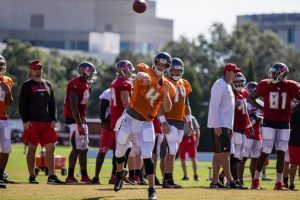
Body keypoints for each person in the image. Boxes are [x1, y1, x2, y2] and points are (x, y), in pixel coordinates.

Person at [113, 52, 175, 200]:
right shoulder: (145, 70)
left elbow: (166, 108)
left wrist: (165, 94)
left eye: (163, 65)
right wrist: (140, 76)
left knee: (147, 154)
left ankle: (152, 189)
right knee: (119, 150)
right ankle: (120, 173)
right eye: (158, 63)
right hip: (129, 117)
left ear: (167, 67)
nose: (160, 66)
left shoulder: (168, 85)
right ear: (154, 62)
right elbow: (139, 73)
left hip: (146, 122)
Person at [247, 63, 300, 190]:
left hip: (284, 123)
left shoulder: (291, 86)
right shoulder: (266, 84)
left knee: (281, 152)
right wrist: (263, 108)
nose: (272, 75)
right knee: (265, 151)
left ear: (283, 74)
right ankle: (255, 181)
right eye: (273, 72)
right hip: (269, 122)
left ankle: (278, 182)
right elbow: (250, 98)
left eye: (276, 73)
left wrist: (292, 110)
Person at [19, 60, 64, 184]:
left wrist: (54, 118)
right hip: (32, 122)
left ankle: (51, 176)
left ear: (42, 69)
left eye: (39, 68)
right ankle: (32, 176)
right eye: (35, 68)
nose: (37, 70)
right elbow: (22, 104)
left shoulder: (48, 84)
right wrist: (25, 120)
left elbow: (53, 103)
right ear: (31, 70)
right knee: (32, 148)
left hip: (47, 123)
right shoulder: (27, 85)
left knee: (51, 147)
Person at [207, 63, 241, 189]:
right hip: (220, 125)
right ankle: (230, 181)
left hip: (225, 125)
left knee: (218, 154)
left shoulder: (227, 85)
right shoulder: (219, 85)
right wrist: (216, 125)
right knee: (225, 154)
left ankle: (215, 182)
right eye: (234, 72)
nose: (236, 74)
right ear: (227, 71)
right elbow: (214, 106)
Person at [64, 61, 97, 184]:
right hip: (74, 119)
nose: (93, 74)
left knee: (84, 148)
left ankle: (84, 176)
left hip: (81, 118)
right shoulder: (75, 83)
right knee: (76, 148)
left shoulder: (85, 84)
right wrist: (79, 124)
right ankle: (70, 176)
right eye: (91, 72)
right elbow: (73, 106)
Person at [162, 57, 192, 188]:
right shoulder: (165, 82)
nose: (176, 72)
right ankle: (168, 180)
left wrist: (189, 122)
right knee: (172, 150)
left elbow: (186, 104)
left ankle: (168, 179)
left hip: (180, 121)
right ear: (169, 70)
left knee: (174, 152)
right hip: (169, 119)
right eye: (173, 70)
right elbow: (159, 105)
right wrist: (163, 122)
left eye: (178, 70)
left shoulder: (184, 83)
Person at [108, 60, 135, 185]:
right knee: (121, 149)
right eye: (129, 69)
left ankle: (119, 175)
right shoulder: (124, 83)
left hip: (116, 118)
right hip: (122, 119)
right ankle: (116, 175)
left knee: (125, 147)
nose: (131, 72)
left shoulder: (115, 82)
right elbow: (126, 104)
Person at [239, 82, 263, 184]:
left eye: (254, 90)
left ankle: (254, 182)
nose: (252, 91)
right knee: (243, 159)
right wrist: (253, 117)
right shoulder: (244, 101)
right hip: (247, 133)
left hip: (257, 134)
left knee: (255, 160)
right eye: (250, 89)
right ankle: (239, 181)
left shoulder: (261, 103)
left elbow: (261, 120)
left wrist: (254, 117)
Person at [91, 88, 114, 184]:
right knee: (102, 151)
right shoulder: (109, 92)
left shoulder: (130, 89)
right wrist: (103, 121)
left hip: (122, 125)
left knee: (119, 153)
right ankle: (96, 176)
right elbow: (103, 108)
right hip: (110, 124)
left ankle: (115, 177)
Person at [0, 55, 14, 186]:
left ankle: (0, 174)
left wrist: (8, 92)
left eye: (1, 64)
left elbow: (9, 103)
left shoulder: (8, 80)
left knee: (6, 148)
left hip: (3, 118)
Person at [283, 99, 300, 191]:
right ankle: (289, 184)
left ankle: (289, 184)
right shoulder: (294, 110)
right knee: (292, 162)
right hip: (293, 139)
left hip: (294, 139)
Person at [179, 115, 200, 181]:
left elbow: (197, 129)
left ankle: (195, 175)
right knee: (182, 158)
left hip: (190, 138)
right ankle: (185, 175)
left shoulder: (192, 117)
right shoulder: (179, 116)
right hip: (182, 139)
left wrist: (197, 141)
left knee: (193, 157)